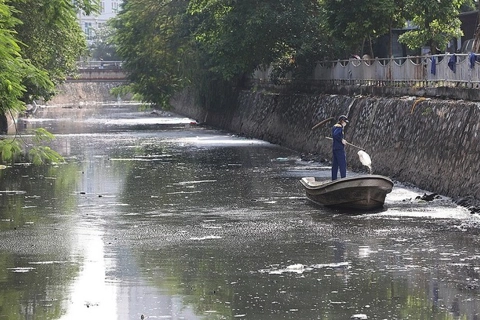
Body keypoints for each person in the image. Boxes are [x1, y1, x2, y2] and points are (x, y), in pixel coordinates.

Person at [331, 115, 348, 180]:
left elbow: (334, 135)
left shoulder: (334, 126)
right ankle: (343, 179)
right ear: (342, 121)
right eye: (345, 122)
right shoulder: (339, 127)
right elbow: (335, 135)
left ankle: (334, 179)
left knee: (335, 165)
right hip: (339, 149)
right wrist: (341, 140)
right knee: (342, 164)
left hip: (335, 148)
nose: (345, 123)